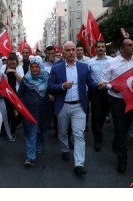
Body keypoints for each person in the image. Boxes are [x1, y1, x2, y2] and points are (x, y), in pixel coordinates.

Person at [48, 41, 98, 177]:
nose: (71, 52)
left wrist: (99, 84)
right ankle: (64, 149)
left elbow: (90, 83)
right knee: (63, 131)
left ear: (76, 51)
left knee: (79, 135)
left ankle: (79, 164)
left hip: (79, 106)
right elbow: (50, 86)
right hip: (62, 105)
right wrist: (62, 86)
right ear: (63, 53)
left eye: (73, 50)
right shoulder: (56, 68)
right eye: (68, 50)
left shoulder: (84, 67)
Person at [100, 38, 133, 173]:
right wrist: (112, 87)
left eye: (132, 45)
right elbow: (103, 81)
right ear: (122, 49)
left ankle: (116, 143)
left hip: (132, 99)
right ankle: (122, 159)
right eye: (129, 45)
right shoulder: (112, 63)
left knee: (125, 127)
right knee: (119, 127)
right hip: (116, 100)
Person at [18, 55, 50, 167]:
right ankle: (29, 157)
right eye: (33, 67)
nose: (35, 69)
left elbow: (52, 90)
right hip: (29, 112)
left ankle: (39, 145)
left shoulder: (47, 77)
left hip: (43, 111)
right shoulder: (26, 79)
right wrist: (16, 109)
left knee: (41, 131)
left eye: (37, 67)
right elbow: (19, 95)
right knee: (30, 133)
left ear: (40, 67)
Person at [87, 41, 113, 152]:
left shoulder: (112, 60)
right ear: (95, 48)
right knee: (96, 114)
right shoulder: (90, 62)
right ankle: (97, 138)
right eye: (98, 47)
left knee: (104, 114)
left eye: (103, 46)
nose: (101, 48)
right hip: (95, 91)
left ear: (105, 48)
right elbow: (87, 77)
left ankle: (99, 128)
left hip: (108, 91)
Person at [0, 53, 24, 140]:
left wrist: (14, 72)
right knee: (6, 112)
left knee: (15, 114)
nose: (12, 65)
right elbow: (0, 79)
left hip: (15, 94)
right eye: (10, 64)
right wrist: (6, 72)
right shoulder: (3, 67)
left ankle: (13, 132)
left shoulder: (19, 68)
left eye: (14, 64)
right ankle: (5, 131)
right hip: (6, 93)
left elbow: (22, 81)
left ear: (16, 63)